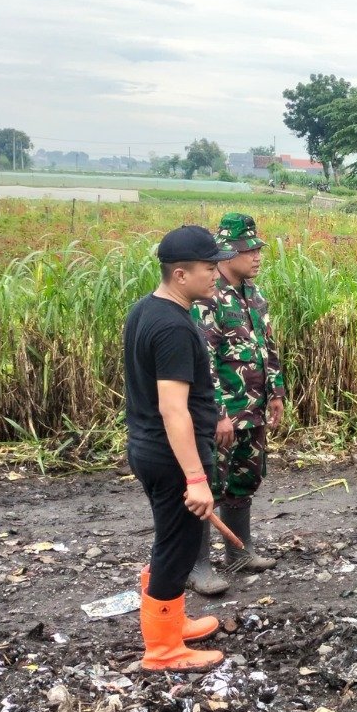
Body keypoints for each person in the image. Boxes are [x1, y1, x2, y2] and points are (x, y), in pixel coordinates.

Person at [122, 225, 234, 671]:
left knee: (171, 539)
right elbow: (174, 409)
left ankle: (172, 621)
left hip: (149, 447)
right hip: (170, 455)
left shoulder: (146, 310)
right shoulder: (172, 327)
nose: (217, 275)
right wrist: (195, 477)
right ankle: (164, 650)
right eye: (210, 268)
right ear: (181, 274)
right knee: (179, 546)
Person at [187, 213, 284, 593]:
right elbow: (204, 360)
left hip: (254, 408)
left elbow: (267, 347)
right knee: (208, 486)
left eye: (258, 249)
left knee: (244, 478)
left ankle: (238, 553)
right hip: (225, 413)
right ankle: (197, 567)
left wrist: (275, 392)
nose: (256, 256)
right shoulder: (208, 299)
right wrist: (218, 414)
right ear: (227, 255)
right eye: (249, 250)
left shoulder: (254, 296)